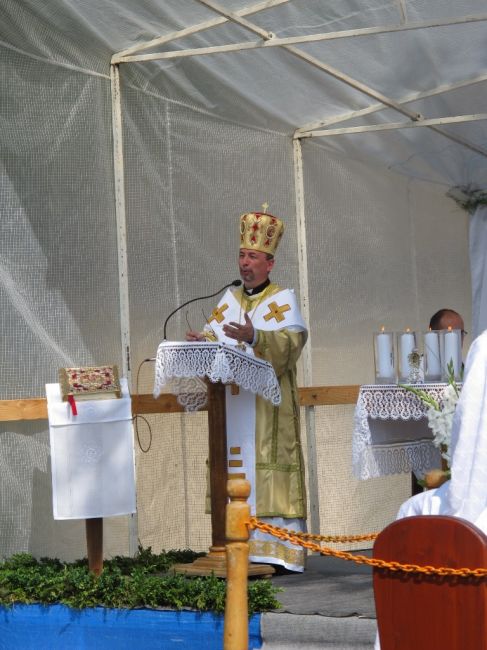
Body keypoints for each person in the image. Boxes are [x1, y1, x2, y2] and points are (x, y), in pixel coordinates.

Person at [186, 210, 308, 572]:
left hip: (267, 411)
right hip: (232, 407)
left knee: (265, 468)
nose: (244, 262)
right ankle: (234, 545)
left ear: (269, 263)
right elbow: (215, 340)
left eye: (253, 256)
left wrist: (255, 337)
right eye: (241, 255)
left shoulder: (283, 299)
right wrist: (201, 343)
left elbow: (290, 346)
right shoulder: (230, 299)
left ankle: (275, 553)